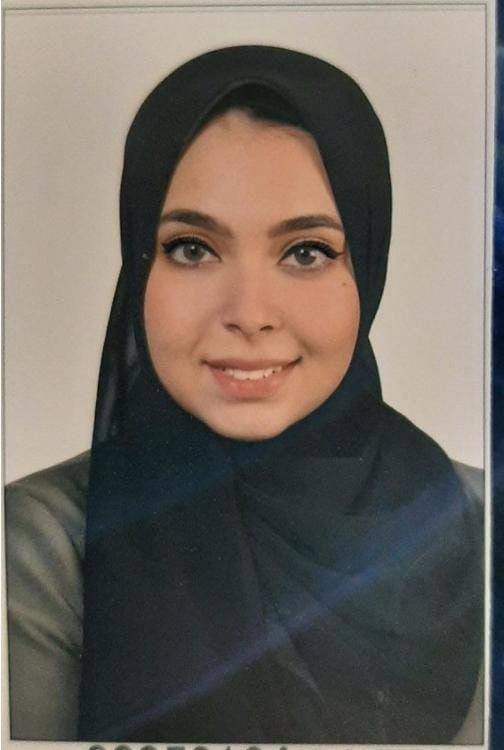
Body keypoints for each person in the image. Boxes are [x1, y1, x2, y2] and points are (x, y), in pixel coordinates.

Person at [5, 45, 483, 744]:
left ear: (368, 267)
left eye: (306, 252)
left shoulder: (482, 528)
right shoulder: (40, 550)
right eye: (193, 248)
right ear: (139, 264)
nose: (249, 314)